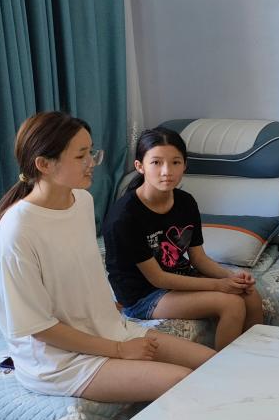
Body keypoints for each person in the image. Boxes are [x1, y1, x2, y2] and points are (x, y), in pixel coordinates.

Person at [0, 112, 214, 402]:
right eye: (80, 155)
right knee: (183, 383)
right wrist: (119, 351)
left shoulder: (82, 201)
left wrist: (108, 318)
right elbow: (39, 328)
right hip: (59, 360)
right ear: (44, 164)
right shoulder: (16, 231)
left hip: (108, 330)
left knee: (215, 364)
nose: (92, 162)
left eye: (91, 152)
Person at [103, 127, 265, 350]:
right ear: (140, 166)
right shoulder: (124, 216)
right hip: (143, 295)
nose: (166, 171)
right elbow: (158, 278)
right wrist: (219, 286)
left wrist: (232, 277)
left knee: (250, 294)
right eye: (156, 162)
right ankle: (225, 368)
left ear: (185, 165)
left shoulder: (185, 202)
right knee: (231, 304)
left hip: (178, 277)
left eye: (175, 162)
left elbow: (198, 258)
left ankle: (257, 358)